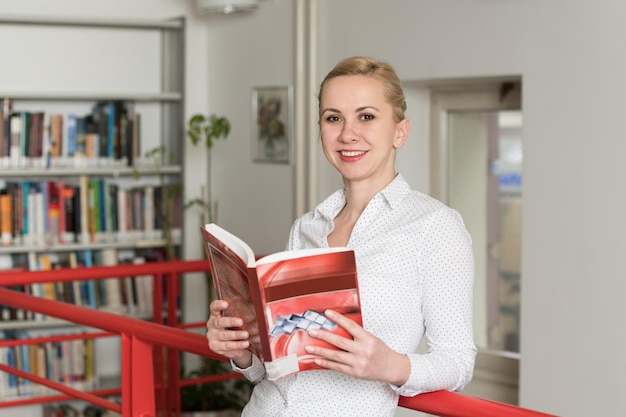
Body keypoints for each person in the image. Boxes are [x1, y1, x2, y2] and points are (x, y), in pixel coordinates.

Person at [206, 56, 476, 416]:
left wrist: (392, 365)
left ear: (400, 131)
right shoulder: (306, 227)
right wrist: (241, 351)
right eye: (334, 118)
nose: (348, 134)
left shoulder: (435, 226)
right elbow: (277, 371)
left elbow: (458, 361)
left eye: (366, 116)